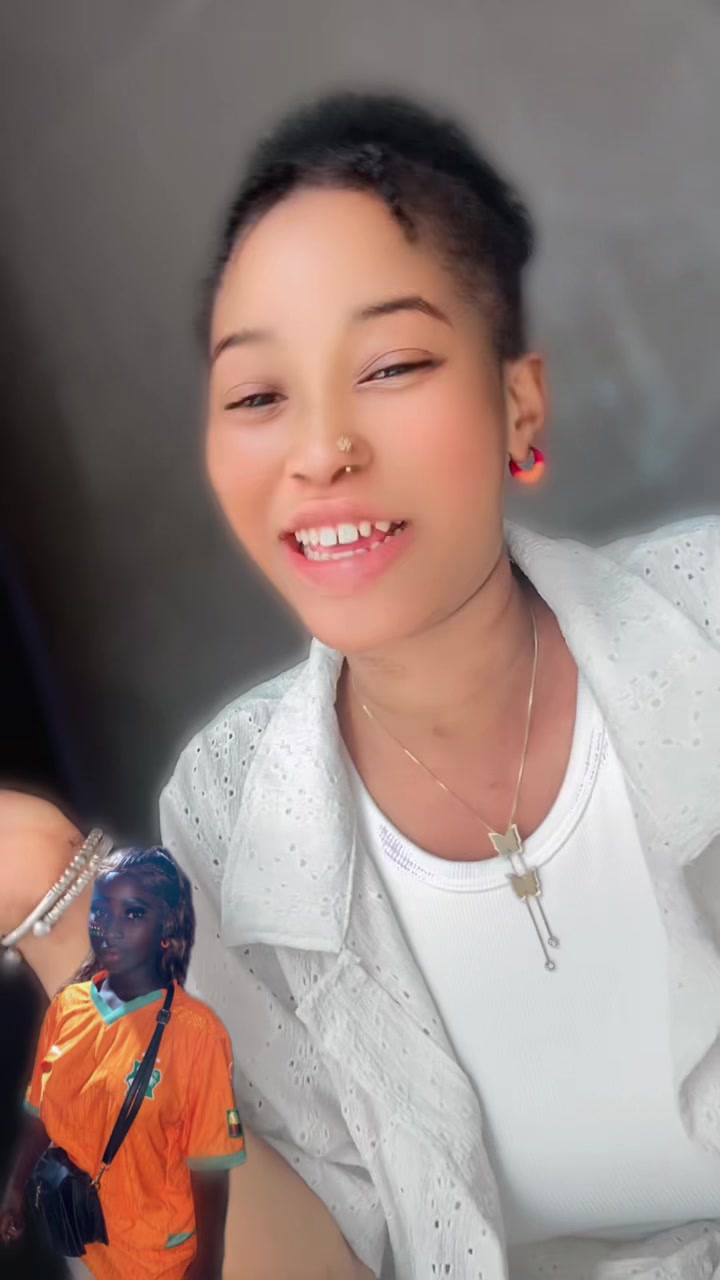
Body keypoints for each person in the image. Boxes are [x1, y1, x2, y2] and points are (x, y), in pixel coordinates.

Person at [1, 89, 719, 1279]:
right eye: (257, 396)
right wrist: (60, 909)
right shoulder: (231, 814)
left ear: (518, 403)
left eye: (390, 365)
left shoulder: (706, 625)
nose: (320, 449)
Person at [0, 845, 246, 1280]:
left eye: (133, 914)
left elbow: (210, 1164)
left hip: (158, 1262)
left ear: (166, 929)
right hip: (81, 1238)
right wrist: (16, 1190)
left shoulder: (197, 1034)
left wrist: (207, 1265)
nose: (110, 928)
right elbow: (40, 1110)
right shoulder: (68, 1006)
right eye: (101, 911)